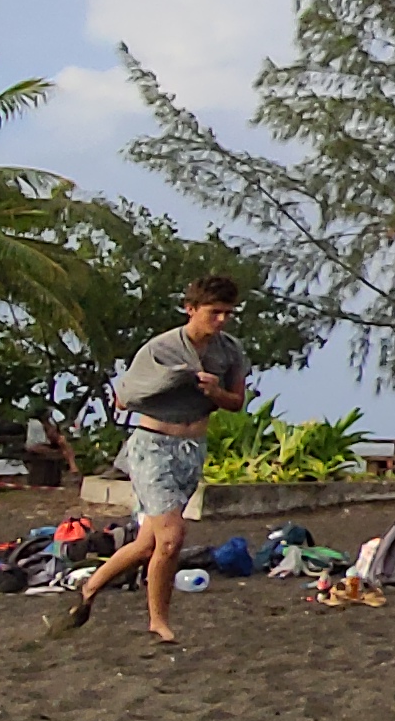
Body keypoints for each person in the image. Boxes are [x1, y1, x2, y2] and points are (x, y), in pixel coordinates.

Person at [54, 273, 253, 642]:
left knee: (148, 543)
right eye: (214, 312)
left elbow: (236, 403)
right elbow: (126, 394)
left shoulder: (231, 351)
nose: (222, 320)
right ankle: (159, 622)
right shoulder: (161, 349)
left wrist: (214, 391)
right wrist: (176, 379)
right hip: (153, 446)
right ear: (191, 309)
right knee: (173, 538)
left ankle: (87, 592)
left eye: (228, 313)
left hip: (192, 449)